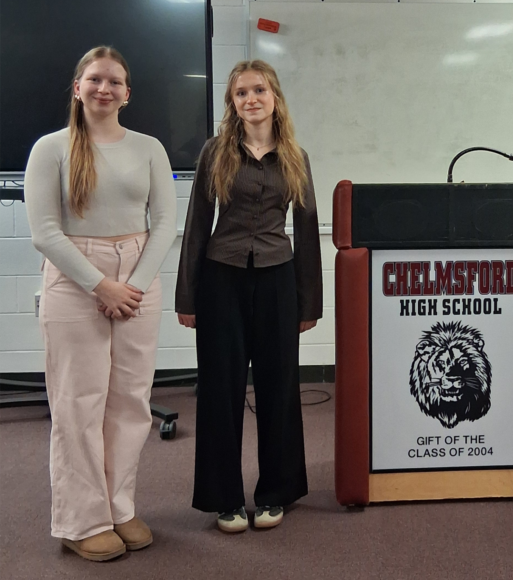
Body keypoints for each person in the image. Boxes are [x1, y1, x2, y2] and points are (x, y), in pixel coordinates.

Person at [25, 46, 177, 560]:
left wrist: (133, 284)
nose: (104, 88)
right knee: (78, 402)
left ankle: (119, 508)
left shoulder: (149, 148)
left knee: (130, 401)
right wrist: (100, 286)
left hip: (138, 277)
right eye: (94, 79)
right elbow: (45, 232)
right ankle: (82, 519)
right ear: (78, 88)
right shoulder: (50, 148)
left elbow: (165, 224)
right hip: (76, 278)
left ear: (127, 93)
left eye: (114, 81)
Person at [176, 60, 322, 533]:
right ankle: (225, 498)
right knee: (221, 389)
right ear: (232, 102)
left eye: (259, 90)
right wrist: (187, 297)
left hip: (278, 278)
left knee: (280, 387)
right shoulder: (216, 152)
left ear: (274, 96)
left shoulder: (296, 157)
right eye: (241, 93)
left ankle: (276, 491)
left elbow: (306, 231)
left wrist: (309, 303)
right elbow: (197, 224)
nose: (251, 99)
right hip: (222, 279)